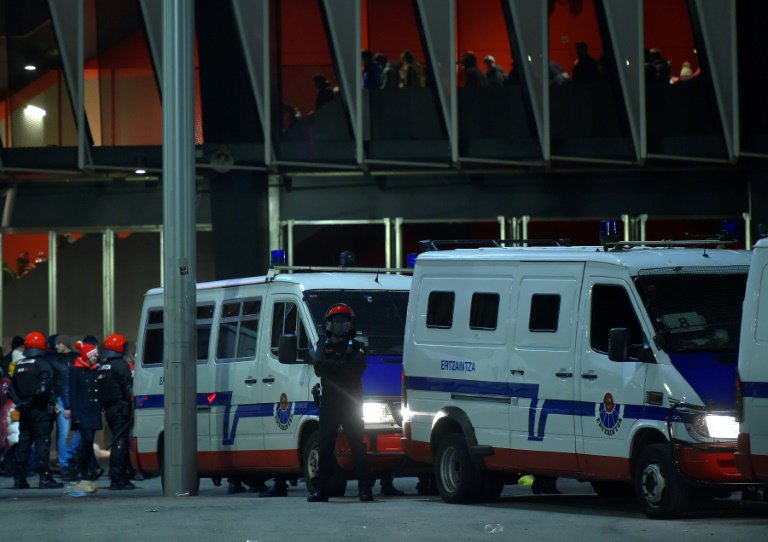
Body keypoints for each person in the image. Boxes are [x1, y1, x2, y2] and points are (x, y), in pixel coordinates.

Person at [307, 303, 373, 502]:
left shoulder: (358, 347)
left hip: (351, 404)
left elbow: (356, 371)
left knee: (357, 446)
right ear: (328, 323)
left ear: (349, 323)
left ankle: (365, 490)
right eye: (335, 321)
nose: (339, 324)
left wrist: (334, 367)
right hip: (330, 404)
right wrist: (342, 365)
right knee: (325, 447)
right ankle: (322, 491)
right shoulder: (322, 345)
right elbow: (319, 366)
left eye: (343, 320)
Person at [8, 331, 63, 489]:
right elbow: (44, 388)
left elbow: (11, 388)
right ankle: (44, 478)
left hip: (24, 410)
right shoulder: (43, 364)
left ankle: (19, 479)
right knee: (42, 443)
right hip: (40, 410)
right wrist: (30, 402)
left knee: (24, 442)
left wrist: (21, 403)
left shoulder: (19, 364)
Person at [97, 333, 134, 490]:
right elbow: (128, 388)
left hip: (109, 409)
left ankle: (120, 476)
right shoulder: (121, 365)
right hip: (121, 408)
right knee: (120, 441)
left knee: (117, 439)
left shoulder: (103, 367)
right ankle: (117, 477)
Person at [69, 341, 102, 482]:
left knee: (88, 441)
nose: (96, 358)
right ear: (86, 356)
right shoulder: (76, 371)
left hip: (93, 411)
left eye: (96, 355)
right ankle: (80, 468)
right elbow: (73, 394)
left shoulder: (95, 370)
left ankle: (90, 468)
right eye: (93, 355)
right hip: (82, 411)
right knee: (87, 441)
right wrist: (75, 414)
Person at [49, 334, 79, 480]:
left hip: (76, 399)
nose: (55, 346)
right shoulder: (54, 361)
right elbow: (52, 384)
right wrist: (54, 402)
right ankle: (64, 464)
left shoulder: (76, 358)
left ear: (64, 344)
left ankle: (68, 457)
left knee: (82, 430)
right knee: (64, 433)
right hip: (61, 399)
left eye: (58, 343)